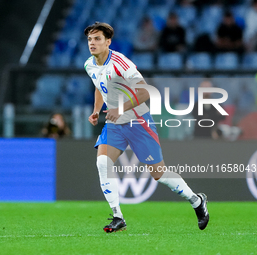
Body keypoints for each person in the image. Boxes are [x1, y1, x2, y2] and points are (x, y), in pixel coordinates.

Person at [84, 22, 209, 233]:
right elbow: (99, 86)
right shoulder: (89, 64)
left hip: (138, 121)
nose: (92, 43)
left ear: (108, 42)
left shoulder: (120, 63)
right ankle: (117, 216)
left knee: (159, 174)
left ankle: (196, 201)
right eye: (89, 39)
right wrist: (97, 109)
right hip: (115, 124)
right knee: (103, 163)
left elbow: (145, 92)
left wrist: (121, 108)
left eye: (97, 39)